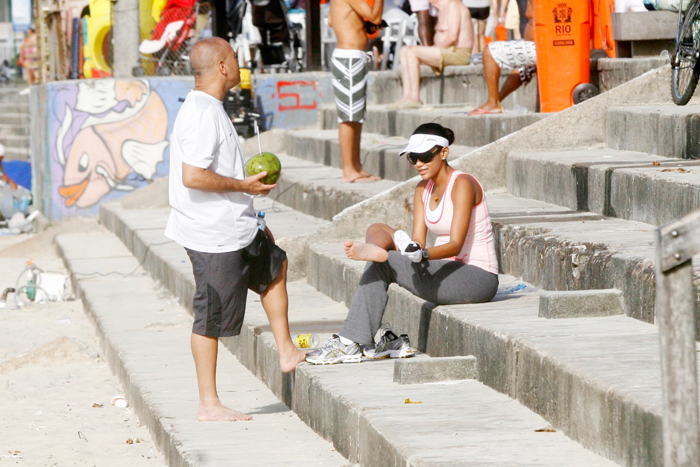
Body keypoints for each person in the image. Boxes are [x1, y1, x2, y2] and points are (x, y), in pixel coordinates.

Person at [164, 38, 305, 421]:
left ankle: (287, 350)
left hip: (236, 226)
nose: (241, 65)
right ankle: (208, 404)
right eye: (236, 59)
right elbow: (193, 176)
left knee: (275, 267)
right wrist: (245, 187)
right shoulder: (200, 113)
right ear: (223, 67)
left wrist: (252, 215)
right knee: (210, 316)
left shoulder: (211, 107)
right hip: (212, 235)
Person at [306, 123, 499, 364]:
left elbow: (456, 245)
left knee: (384, 263)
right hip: (443, 268)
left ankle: (351, 342)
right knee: (377, 229)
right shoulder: (422, 189)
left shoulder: (463, 183)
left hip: (477, 279)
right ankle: (375, 253)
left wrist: (423, 254)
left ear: (444, 153)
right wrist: (414, 248)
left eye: (425, 156)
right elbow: (418, 239)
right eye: (413, 157)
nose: (418, 163)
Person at [329, 0, 384, 182]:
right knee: (348, 116)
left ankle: (356, 165)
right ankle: (348, 170)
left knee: (356, 116)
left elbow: (331, 20)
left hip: (353, 57)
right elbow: (375, 16)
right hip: (349, 59)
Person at [389, 0, 474, 109]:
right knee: (404, 50)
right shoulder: (440, 9)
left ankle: (415, 98)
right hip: (446, 51)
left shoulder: (453, 4)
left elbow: (452, 37)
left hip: (457, 52)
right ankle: (406, 96)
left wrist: (433, 49)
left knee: (412, 51)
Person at [468, 0, 534, 115]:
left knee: (490, 51)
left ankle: (493, 103)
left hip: (542, 47)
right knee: (522, 69)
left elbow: (531, 13)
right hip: (542, 49)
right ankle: (497, 101)